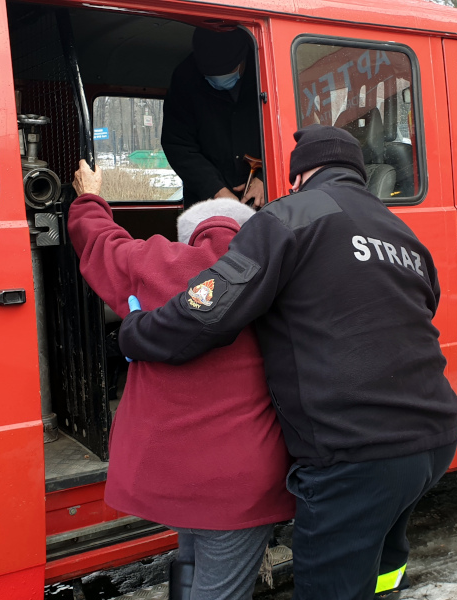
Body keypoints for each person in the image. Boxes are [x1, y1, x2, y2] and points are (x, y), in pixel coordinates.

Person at [118, 126, 457, 600]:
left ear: (299, 175)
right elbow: (424, 306)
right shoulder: (399, 230)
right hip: (434, 438)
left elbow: (208, 309)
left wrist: (135, 332)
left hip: (357, 454)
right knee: (382, 564)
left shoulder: (289, 216)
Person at [66, 160, 295, 600]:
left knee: (190, 559)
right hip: (240, 483)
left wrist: (90, 197)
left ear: (187, 236)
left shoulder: (149, 263)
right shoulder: (275, 281)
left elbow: (100, 240)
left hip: (172, 475)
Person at [162, 27, 265, 209]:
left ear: (243, 60)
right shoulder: (185, 78)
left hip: (265, 197)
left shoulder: (268, 68)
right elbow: (178, 145)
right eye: (211, 75)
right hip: (206, 200)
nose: (218, 78)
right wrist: (216, 190)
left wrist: (265, 178)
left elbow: (291, 132)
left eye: (227, 71)